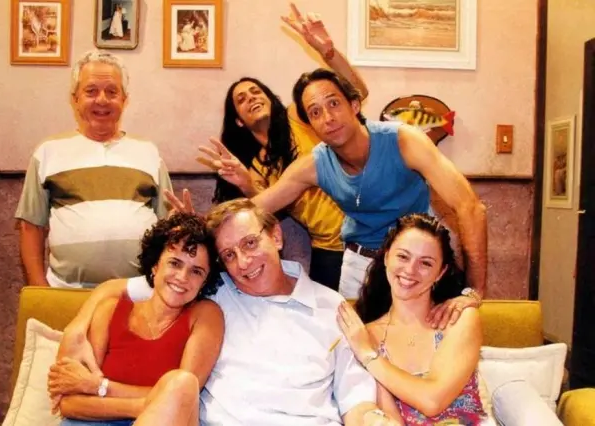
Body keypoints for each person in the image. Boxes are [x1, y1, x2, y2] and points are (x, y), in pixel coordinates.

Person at [52, 199, 389, 426]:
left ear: (276, 235)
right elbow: (124, 288)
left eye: (250, 243)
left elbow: (356, 401)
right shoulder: (212, 289)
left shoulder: (331, 307)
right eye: (228, 254)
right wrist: (78, 325)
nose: (243, 263)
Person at [242, 68, 487, 327]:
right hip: (360, 267)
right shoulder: (314, 164)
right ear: (311, 126)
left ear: (354, 105)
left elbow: (471, 207)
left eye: (333, 103)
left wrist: (473, 291)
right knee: (355, 344)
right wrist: (215, 210)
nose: (327, 118)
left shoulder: (404, 141)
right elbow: (256, 208)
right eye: (315, 112)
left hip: (415, 262)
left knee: (426, 339)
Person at [193, 3, 368, 291]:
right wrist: (247, 184)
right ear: (238, 121)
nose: (252, 97)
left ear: (269, 98)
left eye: (256, 91)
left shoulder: (297, 116)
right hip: (328, 249)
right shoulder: (251, 166)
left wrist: (328, 52)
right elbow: (266, 212)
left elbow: (356, 92)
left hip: (367, 230)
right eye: (241, 99)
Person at [15, 50, 172, 288]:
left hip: (137, 294)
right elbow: (30, 227)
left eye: (112, 92)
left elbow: (168, 225)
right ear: (75, 99)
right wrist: (40, 290)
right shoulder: (48, 152)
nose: (102, 100)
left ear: (124, 100)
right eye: (91, 91)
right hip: (66, 293)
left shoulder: (149, 152)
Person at [49, 213, 224, 426]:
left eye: (196, 271)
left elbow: (183, 397)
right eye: (175, 263)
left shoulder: (205, 316)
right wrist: (145, 405)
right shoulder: (110, 310)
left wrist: (98, 387)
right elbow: (69, 404)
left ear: (204, 282)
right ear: (155, 266)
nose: (182, 277)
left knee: (181, 382)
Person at [337, 213, 493, 425]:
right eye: (403, 257)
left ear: (440, 272)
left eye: (425, 263)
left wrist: (368, 356)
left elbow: (433, 400)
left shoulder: (459, 319)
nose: (410, 270)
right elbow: (390, 419)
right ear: (386, 257)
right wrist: (366, 351)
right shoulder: (365, 335)